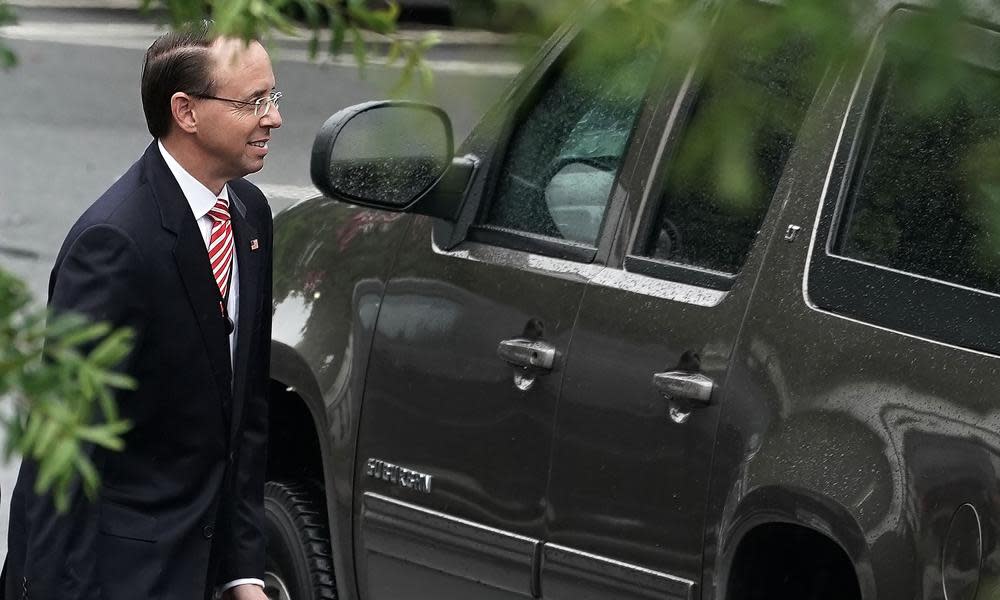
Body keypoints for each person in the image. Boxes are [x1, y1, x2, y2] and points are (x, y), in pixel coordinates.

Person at [4, 22, 281, 600]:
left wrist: (241, 570)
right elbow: (62, 451)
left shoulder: (251, 218)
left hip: (203, 569)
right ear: (186, 111)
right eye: (252, 102)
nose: (273, 118)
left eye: (272, 98)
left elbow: (244, 418)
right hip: (117, 577)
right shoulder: (115, 243)